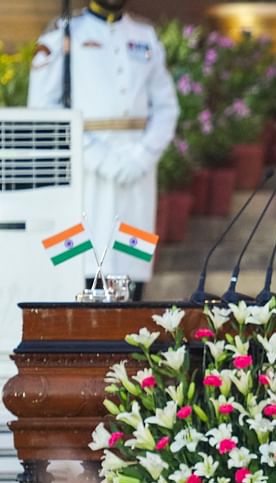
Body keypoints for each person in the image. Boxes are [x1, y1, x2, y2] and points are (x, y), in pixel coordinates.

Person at [27, 0, 179, 300]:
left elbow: (166, 107)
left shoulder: (145, 36)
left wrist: (144, 155)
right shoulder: (63, 34)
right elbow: (44, 110)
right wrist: (98, 158)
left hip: (137, 175)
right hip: (85, 174)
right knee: (80, 269)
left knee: (131, 271)